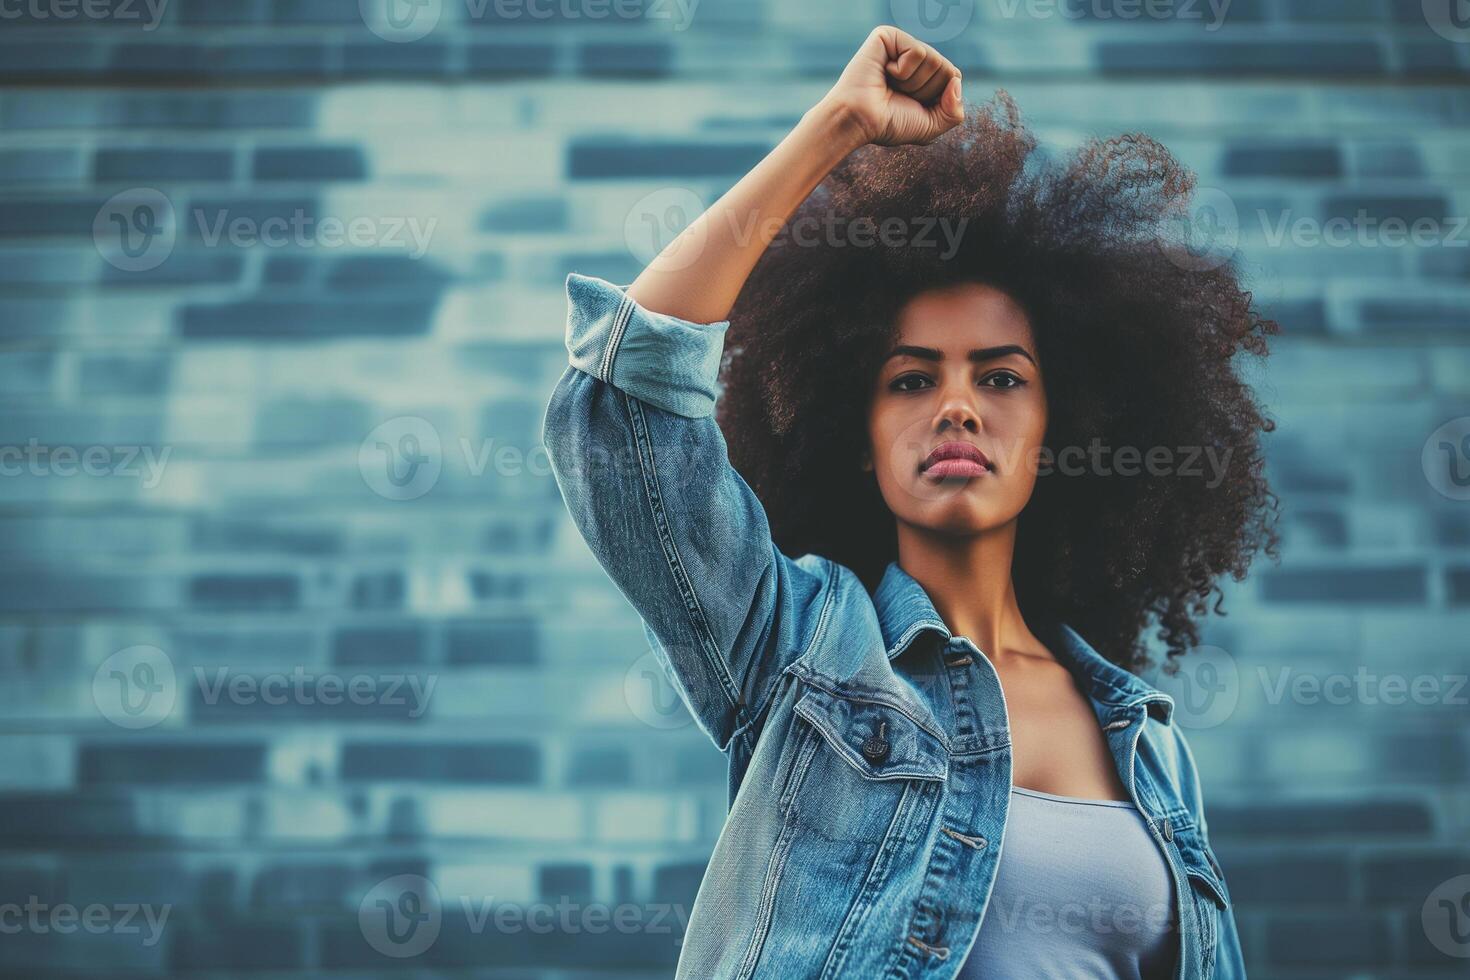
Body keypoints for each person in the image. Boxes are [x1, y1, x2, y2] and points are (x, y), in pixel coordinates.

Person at [543, 23, 1275, 979]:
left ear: (1067, 428)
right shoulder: (802, 647)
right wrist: (836, 126)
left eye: (1003, 379)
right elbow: (624, 402)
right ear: (858, 434)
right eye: (911, 380)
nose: (959, 405)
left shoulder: (1149, 745)